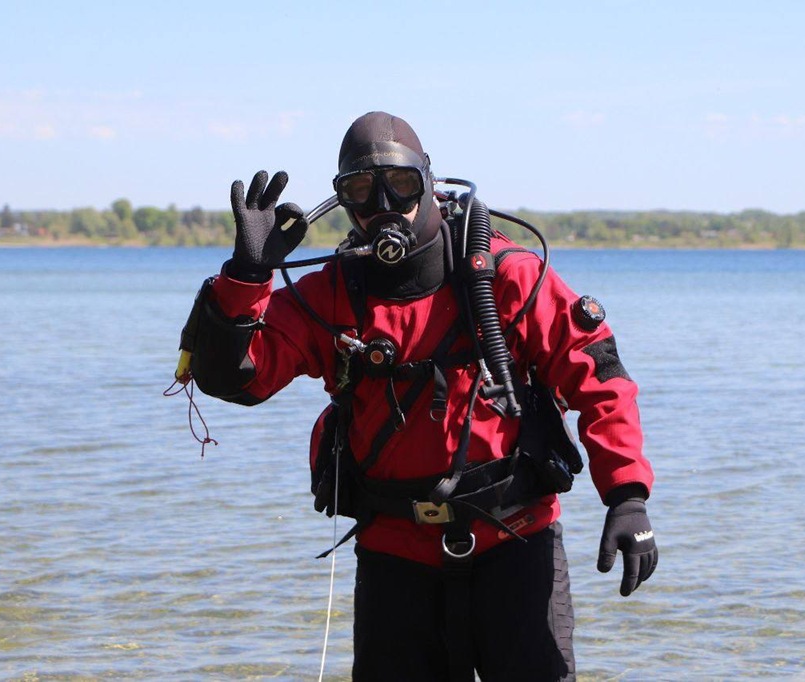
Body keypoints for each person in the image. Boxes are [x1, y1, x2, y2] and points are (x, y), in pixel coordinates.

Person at [178, 111, 657, 681]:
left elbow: (599, 379)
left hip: (515, 542)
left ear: (429, 179)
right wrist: (246, 277)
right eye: (361, 190)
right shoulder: (330, 295)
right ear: (342, 200)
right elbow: (237, 379)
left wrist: (627, 497)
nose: (384, 205)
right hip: (394, 558)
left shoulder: (505, 275)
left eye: (401, 184)